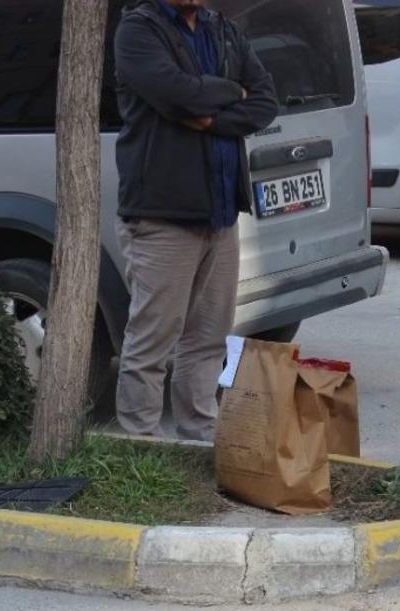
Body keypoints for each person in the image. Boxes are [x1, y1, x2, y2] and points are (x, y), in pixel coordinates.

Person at [113, 0, 277, 440]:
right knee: (151, 344)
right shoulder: (137, 30)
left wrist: (209, 118)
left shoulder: (222, 30)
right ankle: (139, 448)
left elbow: (265, 101)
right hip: (162, 216)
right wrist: (231, 90)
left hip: (221, 214)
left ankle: (198, 439)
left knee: (208, 340)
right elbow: (178, 94)